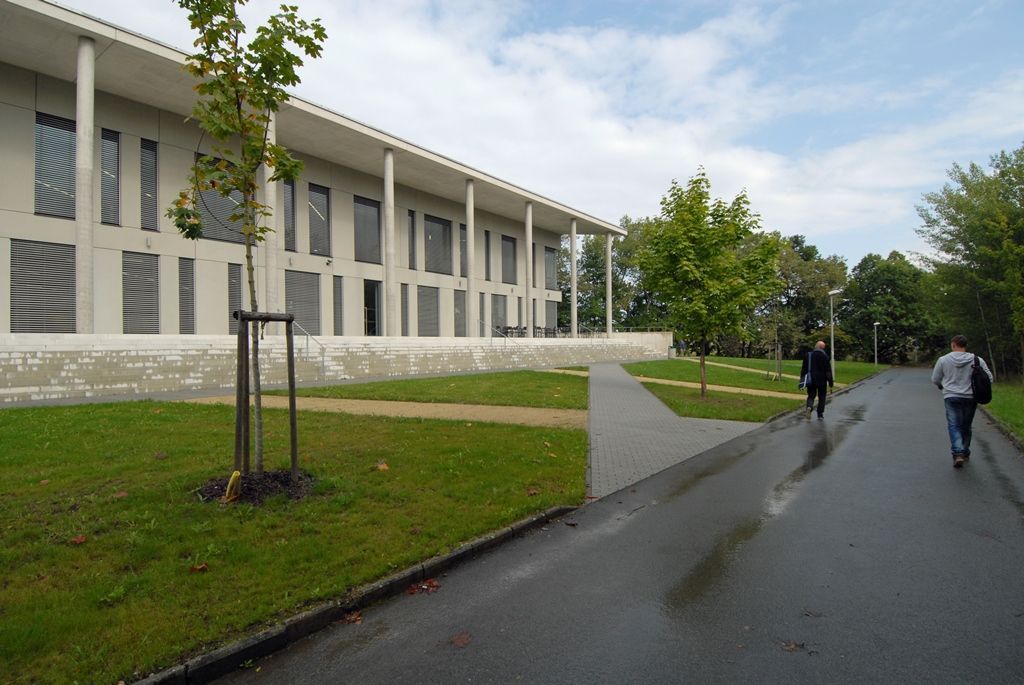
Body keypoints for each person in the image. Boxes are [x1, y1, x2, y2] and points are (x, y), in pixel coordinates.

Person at [931, 334, 993, 468]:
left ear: (953, 345)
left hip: (951, 396)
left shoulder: (943, 360)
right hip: (970, 397)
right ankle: (964, 450)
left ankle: (958, 452)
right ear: (965, 346)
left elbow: (935, 379)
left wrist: (942, 386)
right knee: (966, 425)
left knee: (954, 425)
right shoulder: (977, 360)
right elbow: (989, 378)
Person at [800, 340, 834, 420]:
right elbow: (828, 371)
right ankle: (820, 414)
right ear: (823, 348)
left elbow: (804, 369)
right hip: (822, 380)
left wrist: (802, 380)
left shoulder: (808, 355)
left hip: (811, 380)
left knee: (811, 395)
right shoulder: (825, 357)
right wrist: (830, 382)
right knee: (822, 397)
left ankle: (809, 406)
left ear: (816, 346)